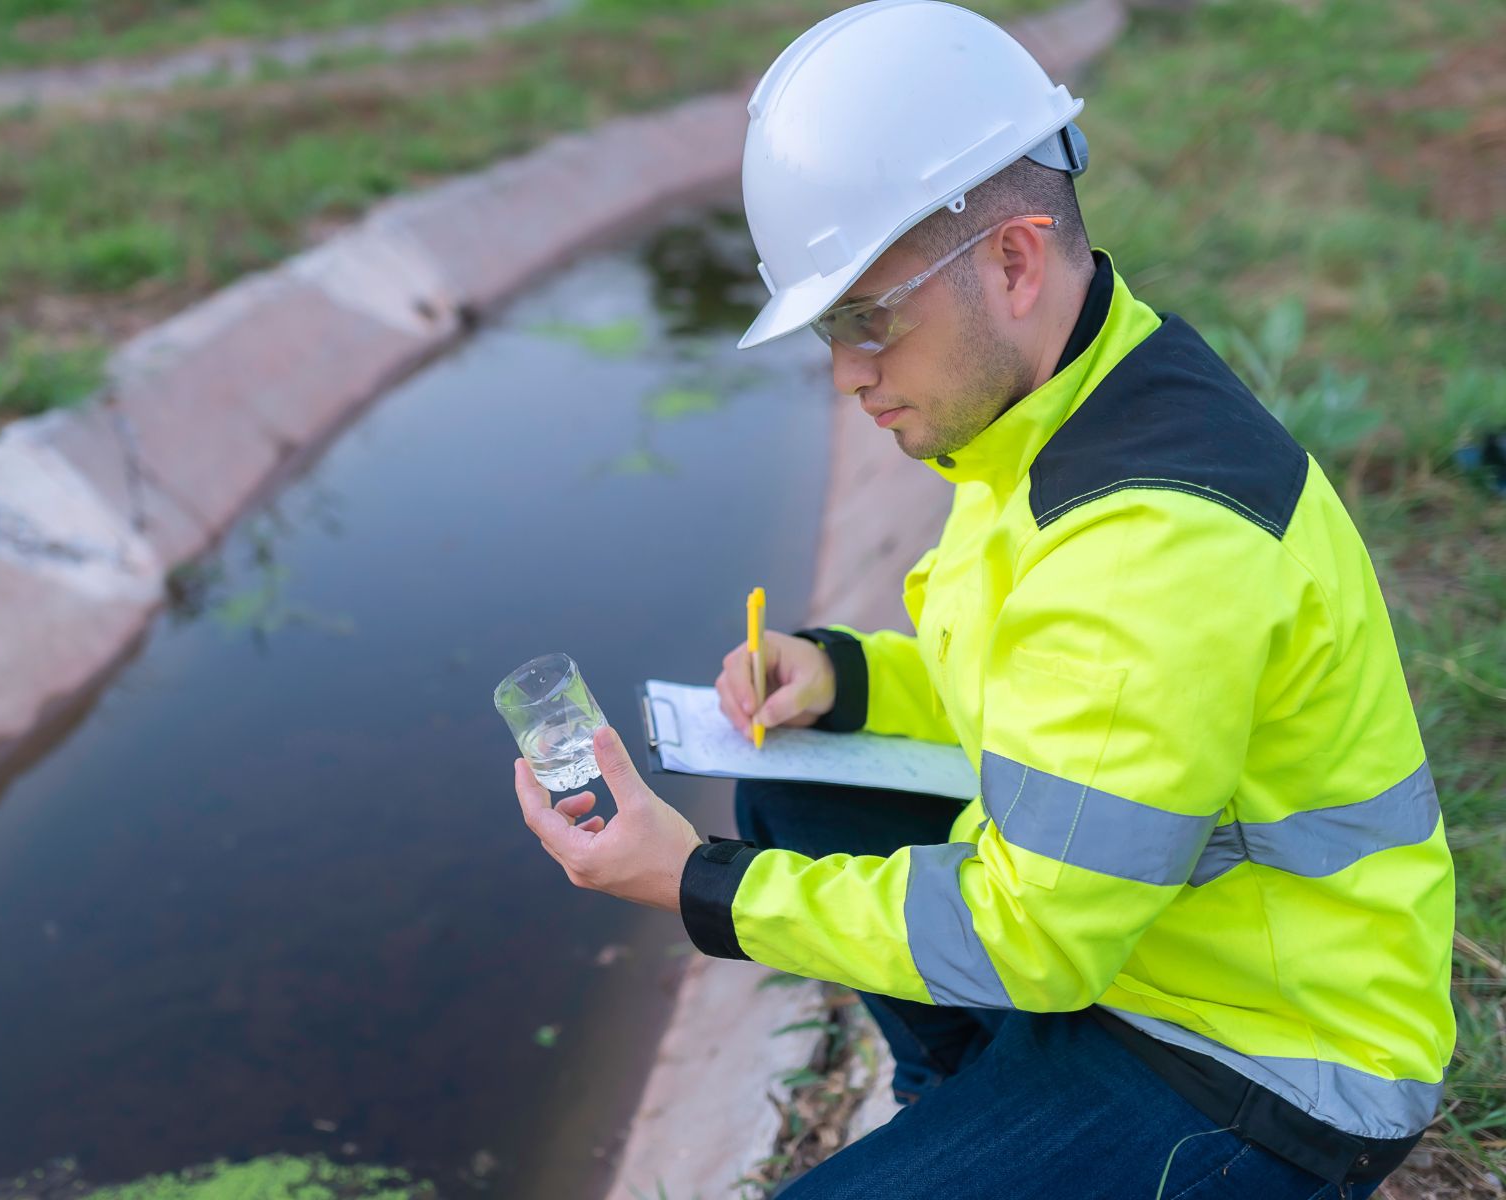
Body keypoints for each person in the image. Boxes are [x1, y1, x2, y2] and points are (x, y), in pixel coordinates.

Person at [511, 3, 1455, 1197]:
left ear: (1011, 260)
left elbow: (1037, 932)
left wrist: (695, 882)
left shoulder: (1151, 540)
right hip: (1146, 952)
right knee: (793, 773)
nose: (848, 374)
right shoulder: (1063, 400)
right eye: (826, 332)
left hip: (1266, 1064)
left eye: (866, 320)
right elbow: (1046, 694)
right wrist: (847, 677)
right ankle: (978, 1108)